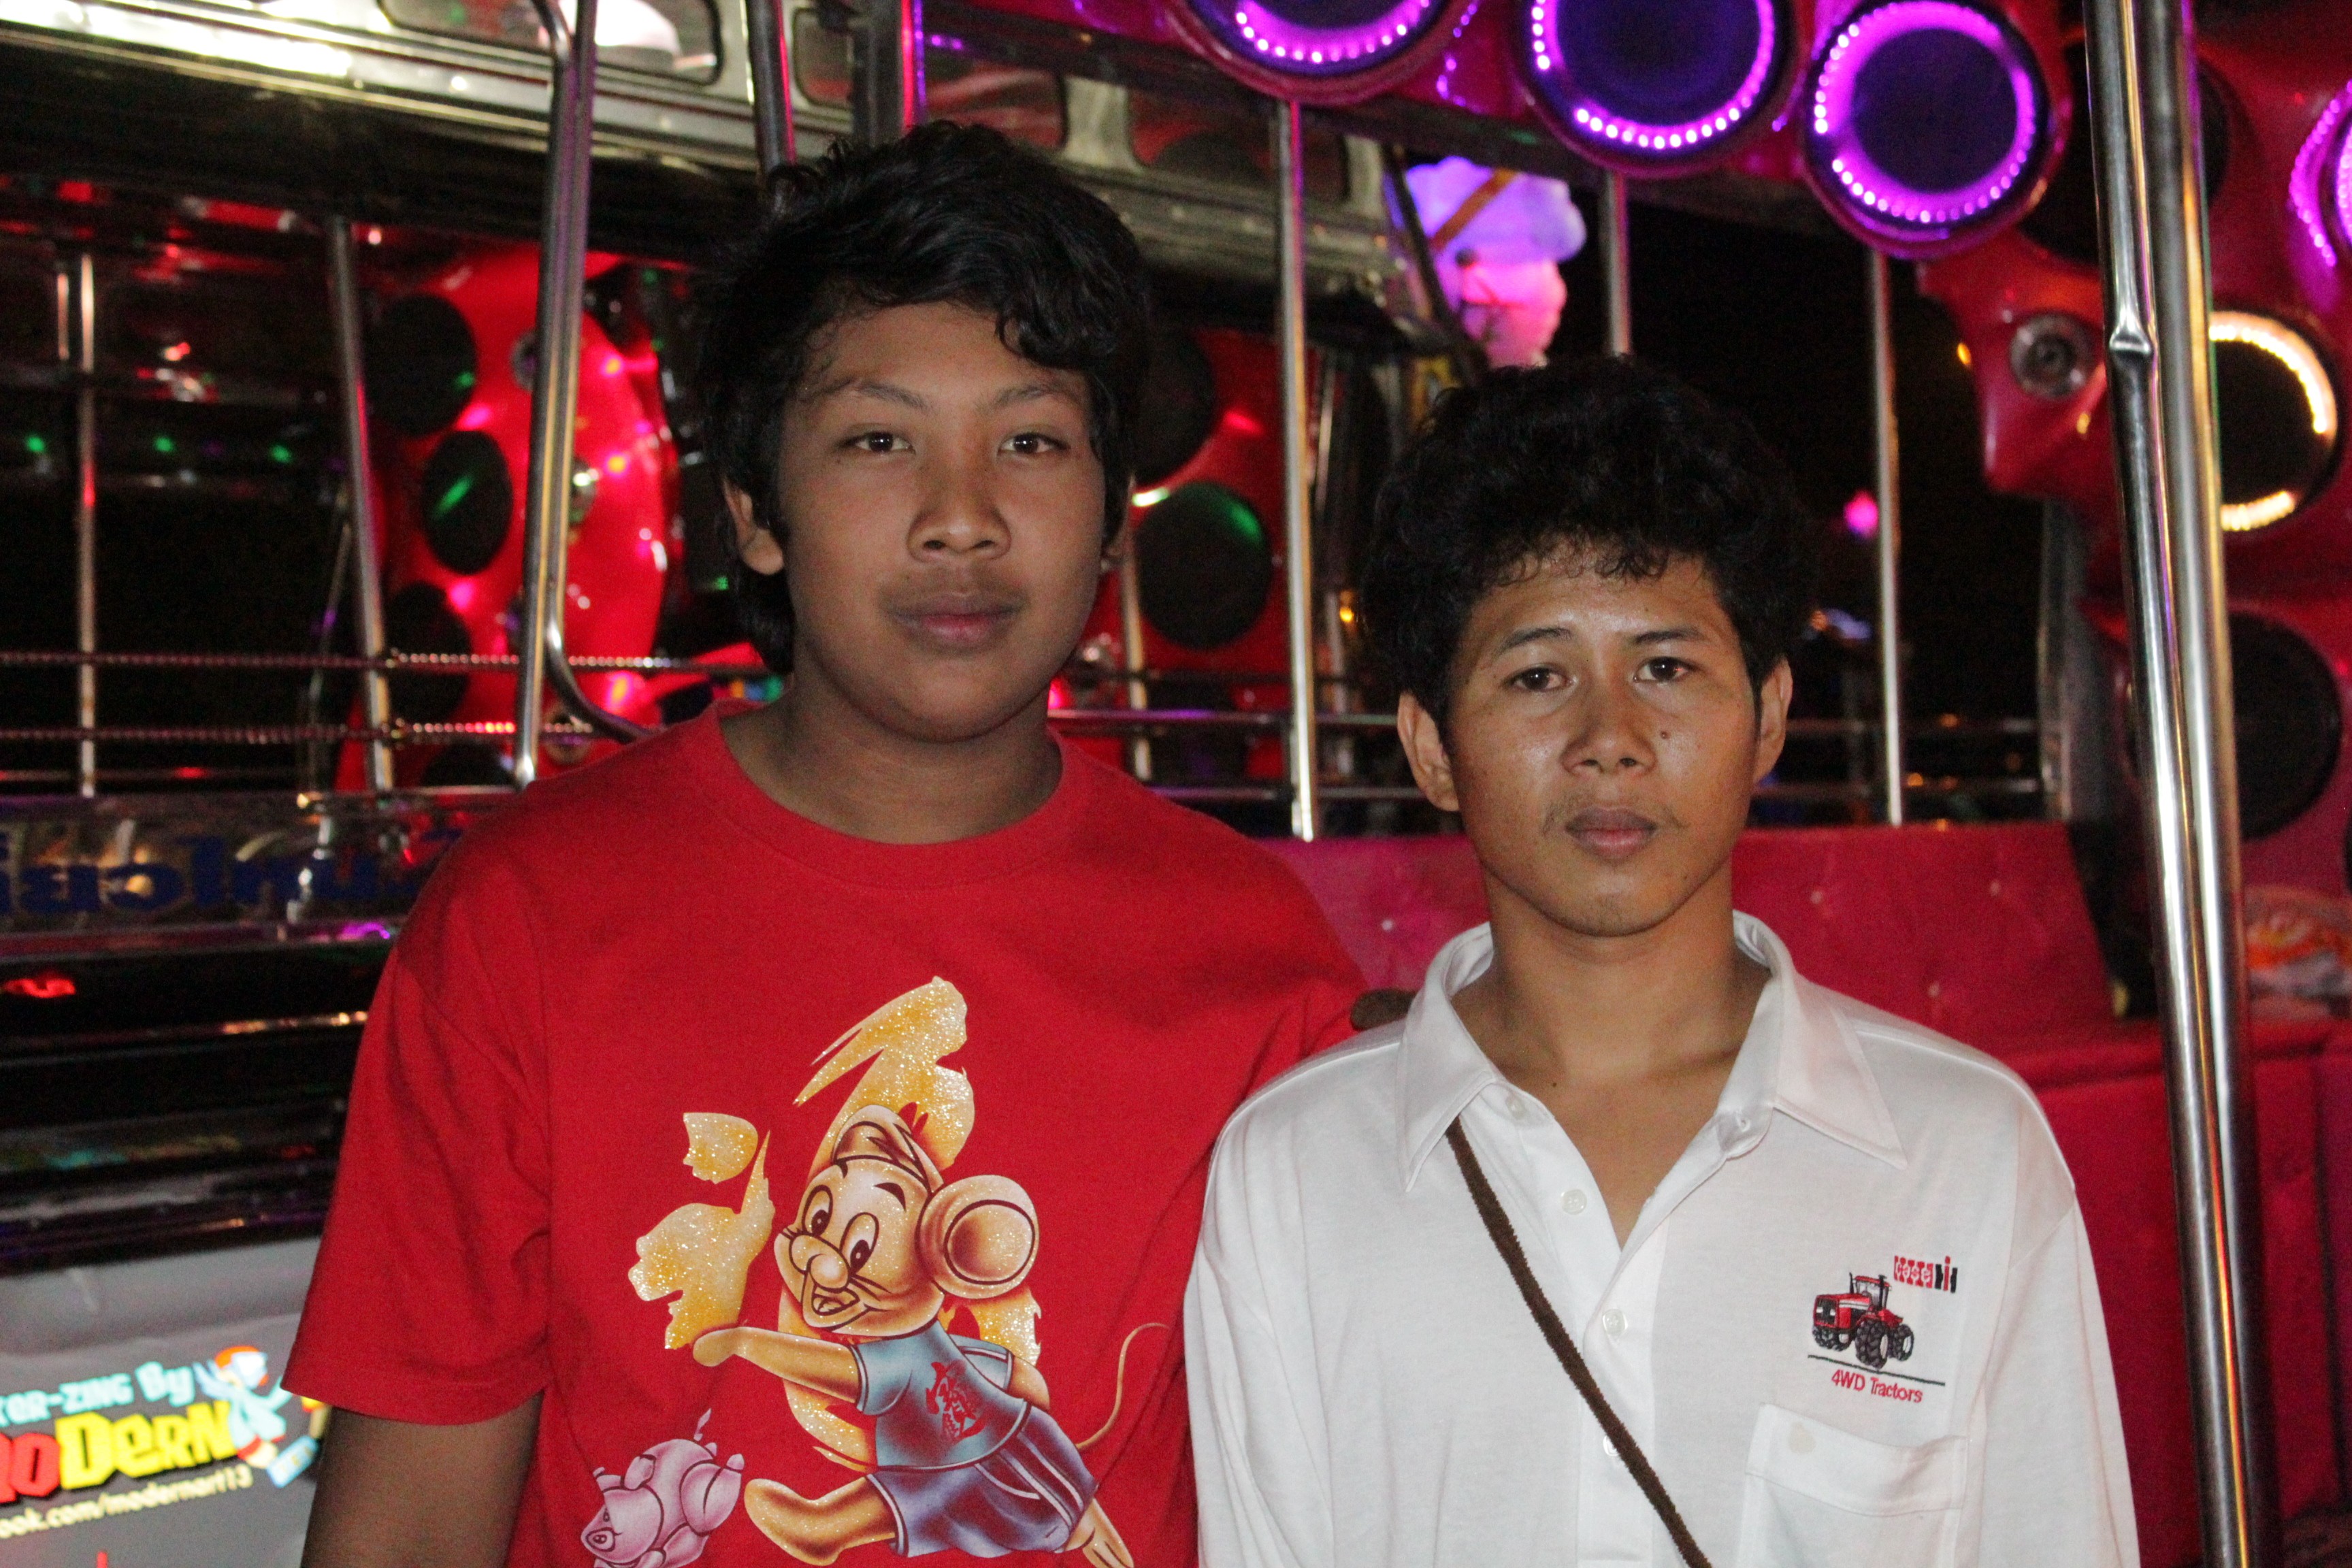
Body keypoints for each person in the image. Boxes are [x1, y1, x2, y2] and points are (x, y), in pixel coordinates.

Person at [290, 122, 1365, 1568]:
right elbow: (410, 1522)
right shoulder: (528, 915)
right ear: (755, 511)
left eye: (1032, 442)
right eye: (877, 441)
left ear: (1114, 510)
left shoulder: (1256, 954)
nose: (962, 520)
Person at [1186, 358, 2136, 1568]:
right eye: (1538, 676)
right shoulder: (1295, 1170)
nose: (1611, 740)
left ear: (1770, 716)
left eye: (1668, 669)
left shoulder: (1962, 1151)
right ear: (1430, 746)